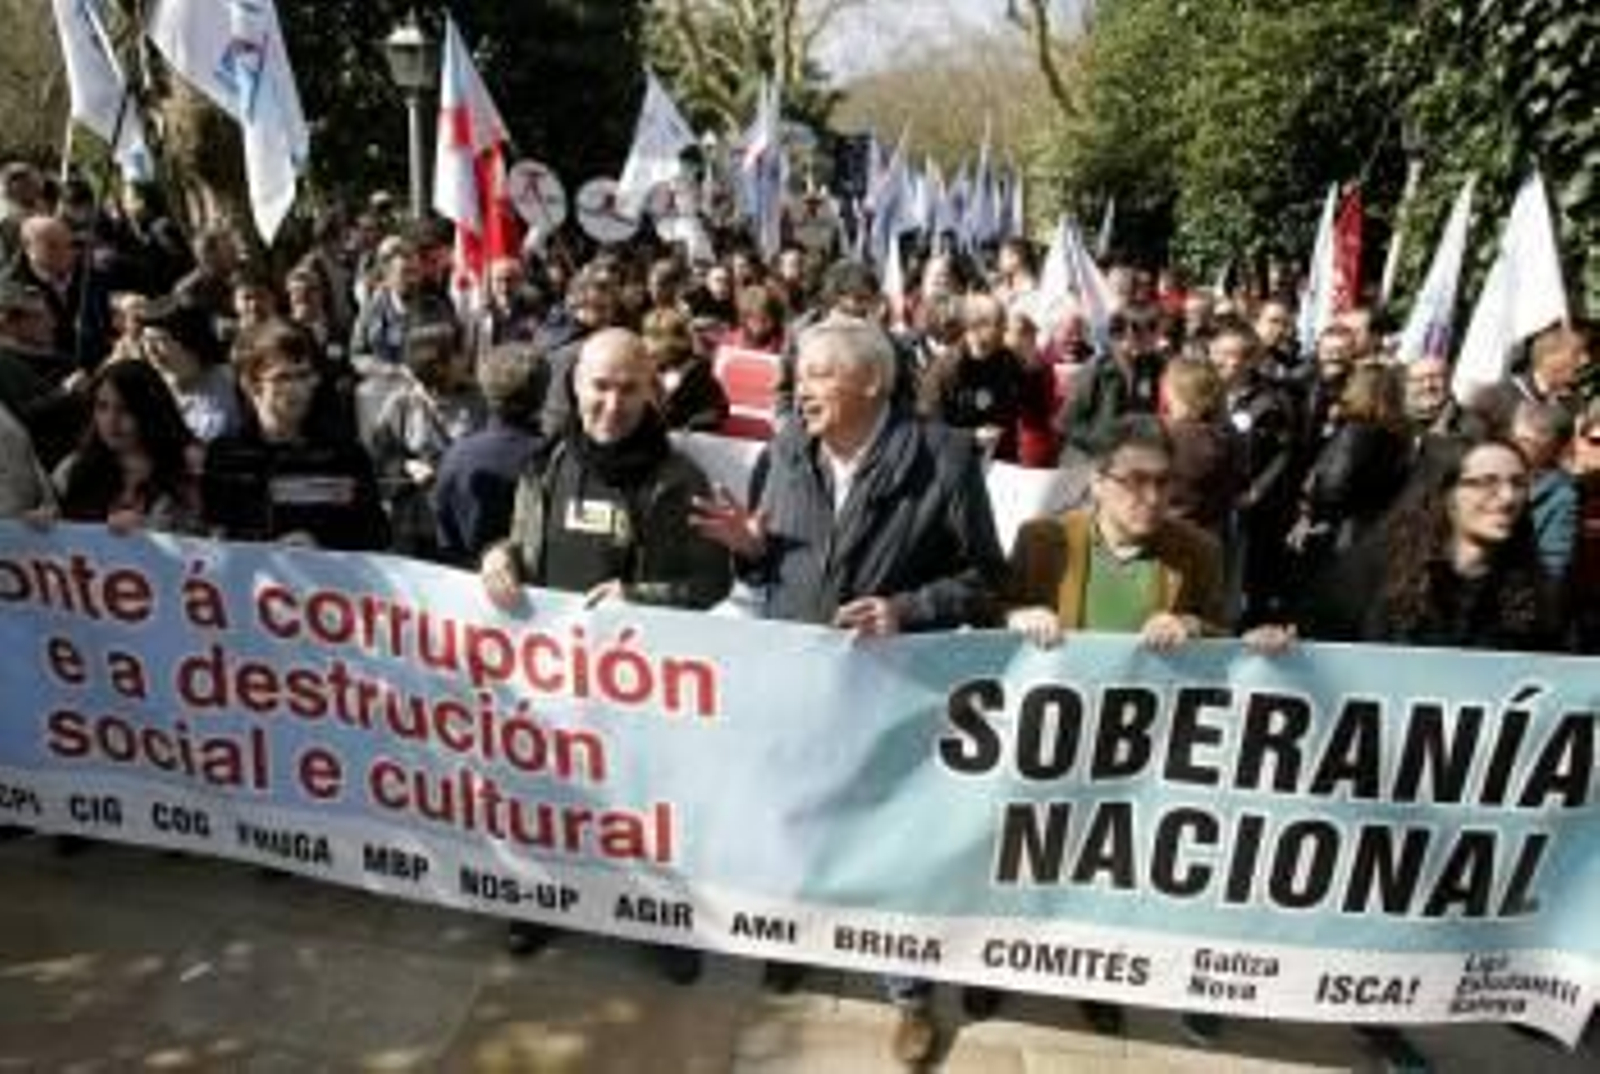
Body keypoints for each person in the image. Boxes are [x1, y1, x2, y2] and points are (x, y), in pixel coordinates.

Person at [690, 314, 1006, 1068]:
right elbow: (771, 573)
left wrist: (907, 609)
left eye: (821, 374)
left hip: (896, 692)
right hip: (802, 691)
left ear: (873, 381)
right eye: (800, 374)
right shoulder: (785, 451)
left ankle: (909, 994)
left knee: (894, 842)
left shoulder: (945, 456)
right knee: (803, 821)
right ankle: (799, 937)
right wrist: (753, 552)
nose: (801, 389)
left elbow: (987, 579)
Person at [480, 328, 731, 980]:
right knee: (549, 796)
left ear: (652, 391)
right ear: (575, 386)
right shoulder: (546, 463)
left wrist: (640, 598)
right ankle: (542, 900)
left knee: (642, 810)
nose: (612, 403)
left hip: (640, 689)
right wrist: (498, 558)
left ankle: (662, 926)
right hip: (553, 681)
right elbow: (518, 545)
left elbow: (712, 584)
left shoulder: (679, 479)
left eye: (628, 388)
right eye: (599, 386)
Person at [1003, 414, 1226, 1039]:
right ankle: (994, 964)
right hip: (1045, 740)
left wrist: (1195, 631)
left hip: (1135, 754)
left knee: (1099, 868)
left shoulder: (1198, 552)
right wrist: (1018, 614)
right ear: (1097, 482)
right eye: (1135, 481)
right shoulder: (1044, 539)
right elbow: (991, 612)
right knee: (1025, 855)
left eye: (1164, 483)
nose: (1153, 497)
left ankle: (1090, 980)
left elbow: (1225, 636)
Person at [202, 319, 388, 550]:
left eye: (305, 375)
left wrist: (321, 544)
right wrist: (265, 547)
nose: (298, 388)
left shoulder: (344, 454)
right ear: (251, 384)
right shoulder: (225, 456)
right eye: (283, 378)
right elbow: (215, 538)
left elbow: (377, 535)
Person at [361, 322, 485, 559]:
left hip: (463, 520)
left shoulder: (480, 401)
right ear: (436, 365)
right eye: (456, 354)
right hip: (415, 525)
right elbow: (380, 454)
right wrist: (407, 465)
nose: (465, 357)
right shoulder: (402, 403)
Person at [433, 342, 549, 568]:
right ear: (543, 395)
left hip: (464, 584)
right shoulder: (551, 458)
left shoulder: (457, 454)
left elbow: (444, 533)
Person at [51, 359, 200, 534]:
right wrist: (45, 521)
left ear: (150, 412)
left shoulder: (184, 472)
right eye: (102, 407)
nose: (111, 421)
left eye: (125, 409)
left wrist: (149, 532)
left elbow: (200, 547)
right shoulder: (71, 468)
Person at [917, 293, 1030, 461]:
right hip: (957, 463)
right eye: (999, 323)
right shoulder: (945, 371)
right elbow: (929, 429)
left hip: (1002, 460)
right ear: (976, 327)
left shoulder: (1008, 360)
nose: (1005, 329)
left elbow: (1022, 402)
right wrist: (971, 437)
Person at [1058, 307, 1162, 460]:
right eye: (1141, 329)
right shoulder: (1096, 370)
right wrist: (1100, 442)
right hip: (1095, 460)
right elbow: (1066, 423)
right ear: (1120, 333)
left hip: (1132, 460)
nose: (1151, 336)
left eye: (1153, 328)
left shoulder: (1151, 367)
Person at [140, 295, 242, 443]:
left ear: (187, 342)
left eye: (160, 340)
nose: (151, 350)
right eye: (145, 341)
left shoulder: (228, 382)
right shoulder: (150, 389)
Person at [1161, 357, 1240, 540]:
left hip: (1168, 536)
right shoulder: (1227, 435)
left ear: (1176, 392)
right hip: (1211, 535)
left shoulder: (1166, 436)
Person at [641, 308, 728, 433]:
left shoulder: (698, 372)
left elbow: (718, 410)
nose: (648, 346)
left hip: (688, 439)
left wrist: (691, 426)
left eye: (654, 337)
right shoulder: (645, 369)